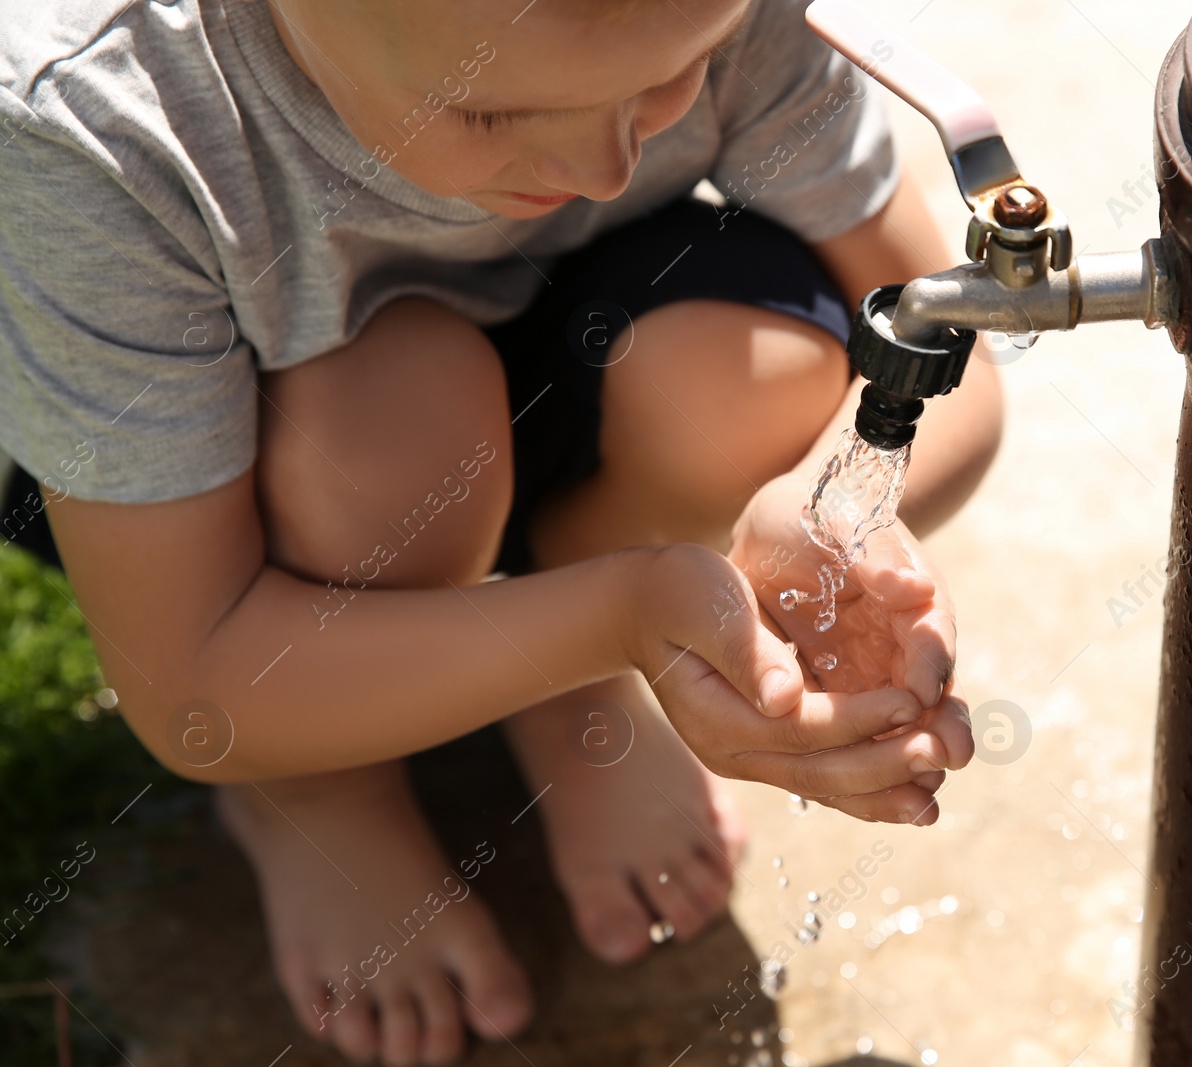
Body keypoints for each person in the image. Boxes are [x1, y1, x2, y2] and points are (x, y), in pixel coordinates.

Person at [0, 0, 1002, 1061]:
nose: (608, 163)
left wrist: (829, 506)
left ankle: (571, 694)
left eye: (675, 77)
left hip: (558, 331)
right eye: (492, 111)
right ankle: (314, 790)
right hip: (237, 478)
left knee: (748, 390)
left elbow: (959, 355)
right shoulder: (94, 122)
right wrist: (626, 611)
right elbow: (192, 680)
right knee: (390, 430)